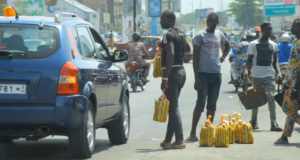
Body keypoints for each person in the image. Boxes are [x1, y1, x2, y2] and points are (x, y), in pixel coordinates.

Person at [186, 12, 231, 141]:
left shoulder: (219, 34)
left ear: (217, 22)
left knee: (212, 105)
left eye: (213, 21)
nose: (210, 23)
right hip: (203, 75)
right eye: (208, 21)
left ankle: (208, 131)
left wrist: (223, 57)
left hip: (216, 75)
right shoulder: (200, 36)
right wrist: (196, 78)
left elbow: (228, 46)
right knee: (200, 104)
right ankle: (193, 133)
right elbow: (195, 58)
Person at [158, 10, 191, 149]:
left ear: (170, 20)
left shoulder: (168, 34)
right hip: (182, 72)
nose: (161, 22)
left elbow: (170, 54)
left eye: (162, 20)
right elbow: (188, 48)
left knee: (173, 107)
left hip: (172, 73)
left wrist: (165, 77)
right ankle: (167, 140)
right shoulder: (181, 33)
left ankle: (179, 139)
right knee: (172, 106)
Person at [244, 22, 283, 131]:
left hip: (269, 75)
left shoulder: (273, 45)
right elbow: (249, 60)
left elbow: (275, 62)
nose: (270, 32)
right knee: (256, 100)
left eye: (271, 30)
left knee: (271, 97)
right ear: (262, 31)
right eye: (267, 30)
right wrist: (247, 70)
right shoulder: (253, 44)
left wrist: (278, 72)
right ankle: (254, 121)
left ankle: (273, 123)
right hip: (256, 76)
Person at [275, 19, 300, 144]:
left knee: (290, 110)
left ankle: (285, 136)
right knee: (288, 108)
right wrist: (286, 79)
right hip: (292, 82)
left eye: (295, 25)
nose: (291, 27)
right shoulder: (295, 41)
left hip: (297, 84)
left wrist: (296, 87)